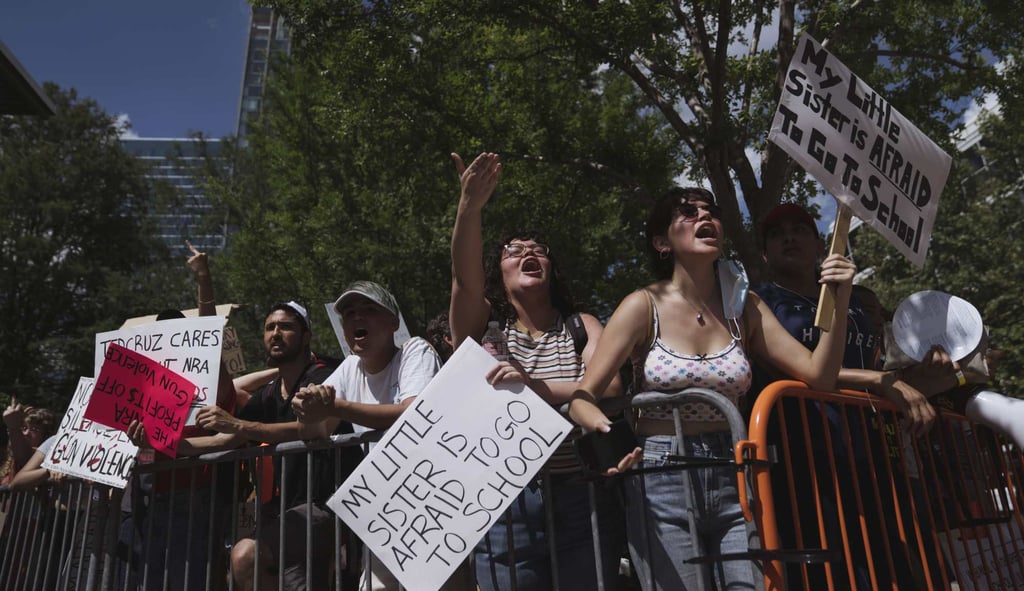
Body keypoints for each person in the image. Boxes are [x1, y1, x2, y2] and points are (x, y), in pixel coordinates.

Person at [567, 187, 856, 591]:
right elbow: (583, 398)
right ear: (662, 242)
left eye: (712, 211)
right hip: (659, 476)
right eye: (687, 212)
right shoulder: (641, 305)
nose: (705, 216)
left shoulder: (746, 308)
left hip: (735, 473)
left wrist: (839, 301)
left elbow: (819, 376)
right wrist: (608, 436)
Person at [448, 152, 626, 591]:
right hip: (504, 504)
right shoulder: (483, 332)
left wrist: (533, 386)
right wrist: (469, 208)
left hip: (580, 494)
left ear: (549, 269)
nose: (528, 254)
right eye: (514, 251)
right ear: (499, 272)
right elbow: (464, 284)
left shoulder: (583, 326)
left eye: (538, 251)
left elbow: (610, 385)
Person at [291, 280, 473, 591]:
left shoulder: (416, 350)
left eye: (368, 310)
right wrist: (307, 412)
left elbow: (411, 413)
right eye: (348, 314)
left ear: (393, 322)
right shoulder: (350, 368)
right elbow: (316, 434)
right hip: (390, 509)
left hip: (438, 501)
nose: (356, 318)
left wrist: (334, 406)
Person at [198, 298, 355, 591]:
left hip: (328, 505)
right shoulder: (269, 392)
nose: (276, 333)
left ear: (306, 336)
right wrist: (170, 445)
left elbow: (306, 430)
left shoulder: (324, 375)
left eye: (285, 326)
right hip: (287, 511)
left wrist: (240, 425)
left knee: (245, 555)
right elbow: (226, 438)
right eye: (270, 327)